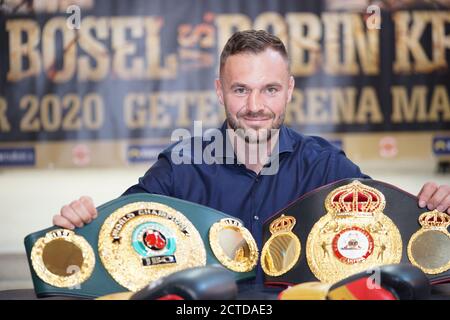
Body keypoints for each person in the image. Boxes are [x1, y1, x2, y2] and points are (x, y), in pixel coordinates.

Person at [53, 30, 450, 250]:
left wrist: (435, 208)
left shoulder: (326, 165)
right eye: (240, 90)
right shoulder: (179, 167)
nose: (255, 106)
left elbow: (389, 229)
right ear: (219, 91)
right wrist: (80, 224)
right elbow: (119, 231)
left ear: (290, 90)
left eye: (270, 89)